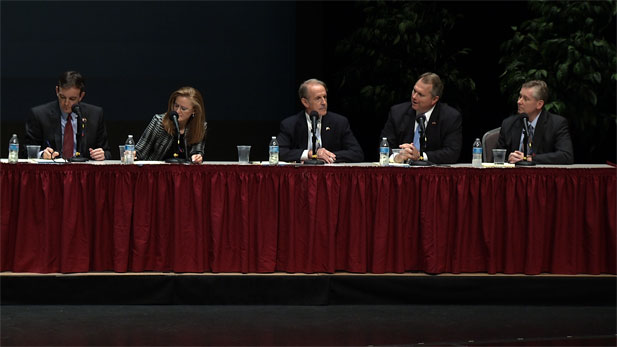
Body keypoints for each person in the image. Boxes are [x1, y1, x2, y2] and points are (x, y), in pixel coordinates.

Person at [24, 71, 111, 160]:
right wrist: (42, 154)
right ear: (57, 91)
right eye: (62, 97)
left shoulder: (95, 115)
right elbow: (26, 151)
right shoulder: (39, 115)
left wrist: (102, 155)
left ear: (81, 96)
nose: (66, 103)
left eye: (72, 99)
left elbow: (107, 152)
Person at [380, 72, 462, 164]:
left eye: (420, 95)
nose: (414, 97)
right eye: (414, 91)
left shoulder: (450, 117)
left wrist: (420, 156)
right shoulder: (397, 113)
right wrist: (396, 157)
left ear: (434, 99)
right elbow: (384, 145)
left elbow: (452, 153)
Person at [277, 79, 364, 163]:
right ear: (305, 102)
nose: (324, 102)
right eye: (318, 98)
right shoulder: (290, 124)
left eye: (325, 97)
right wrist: (310, 154)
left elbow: (357, 153)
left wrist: (326, 156)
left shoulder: (339, 122)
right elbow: (278, 152)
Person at [496, 80, 573, 164]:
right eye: (520, 96)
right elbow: (496, 157)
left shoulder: (556, 124)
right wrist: (508, 158)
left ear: (539, 104)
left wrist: (529, 158)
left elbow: (566, 156)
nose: (519, 102)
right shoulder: (508, 124)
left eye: (525, 99)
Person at [135, 86, 207, 163]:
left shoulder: (200, 126)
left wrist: (197, 157)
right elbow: (140, 151)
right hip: (157, 171)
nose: (177, 111)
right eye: (176, 106)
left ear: (194, 111)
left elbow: (197, 152)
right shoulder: (159, 121)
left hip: (184, 173)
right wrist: (132, 154)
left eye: (183, 108)